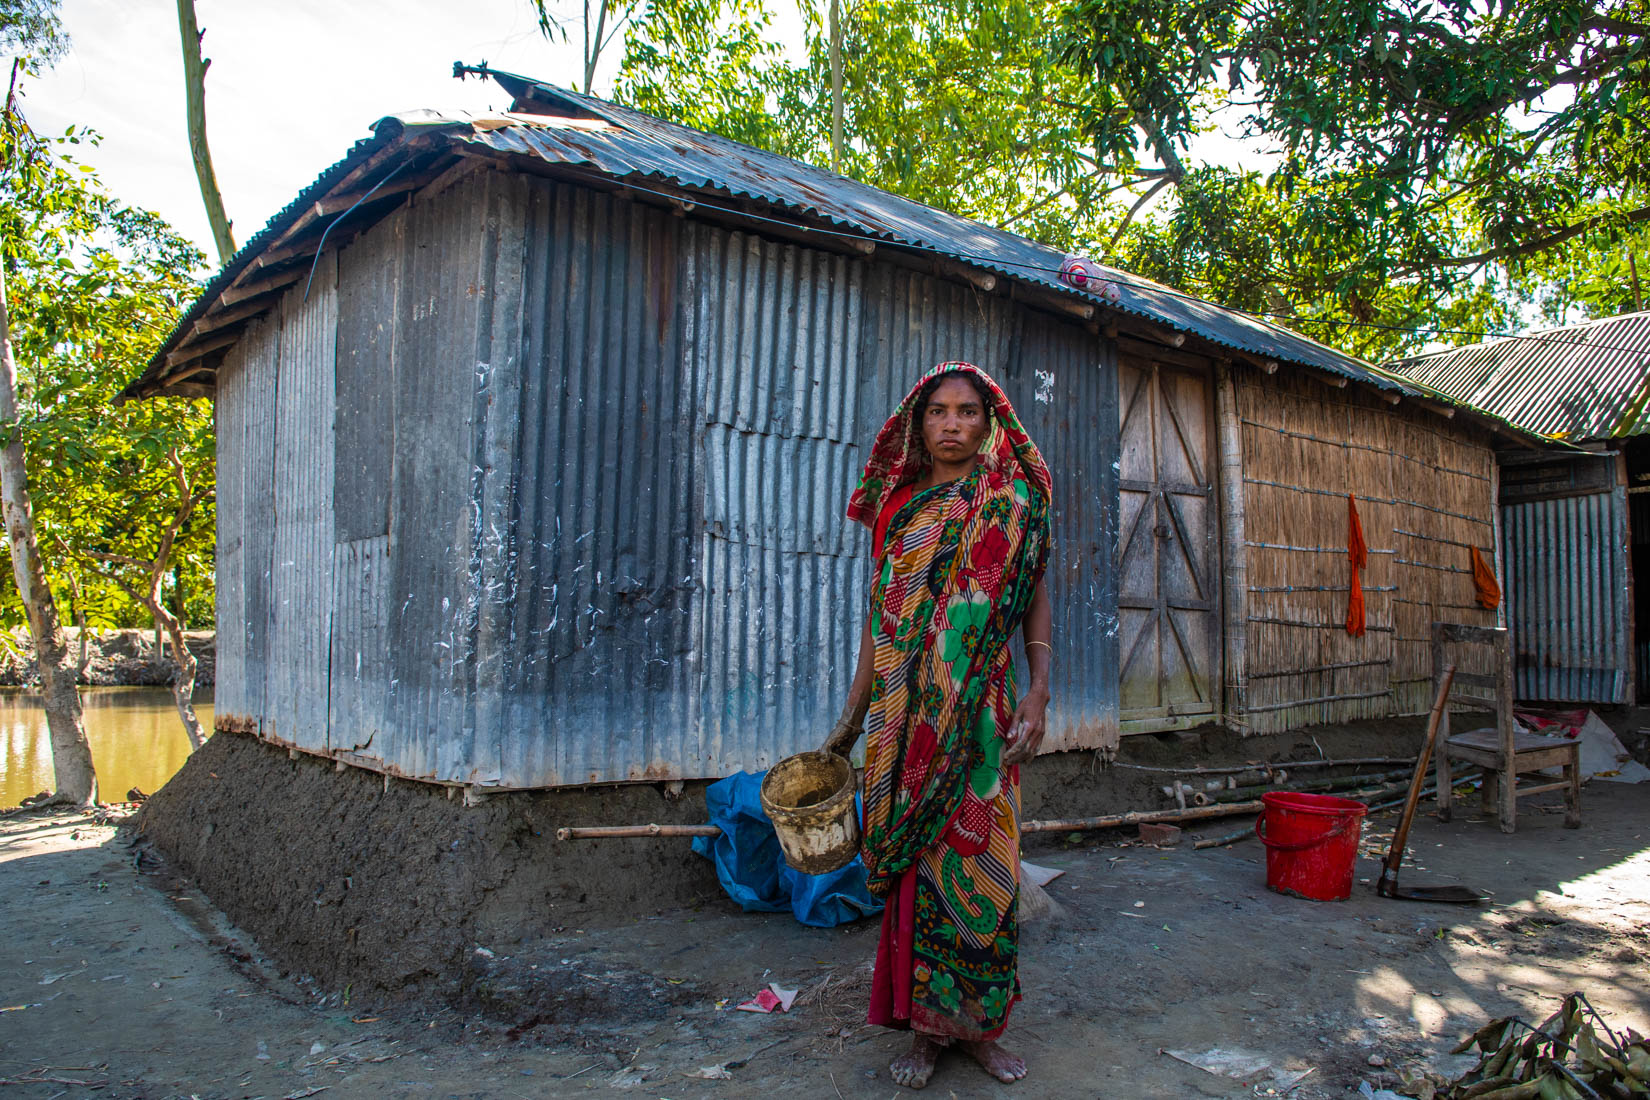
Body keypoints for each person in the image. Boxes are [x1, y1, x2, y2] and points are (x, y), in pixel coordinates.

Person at [823, 361, 1053, 1089]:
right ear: (916, 425)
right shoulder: (899, 509)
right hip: (901, 715)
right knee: (918, 873)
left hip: (982, 712)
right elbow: (878, 619)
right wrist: (851, 717)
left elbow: (1034, 596)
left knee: (985, 862)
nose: (952, 423)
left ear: (990, 422)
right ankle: (923, 1033)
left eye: (967, 410)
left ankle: (982, 1031)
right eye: (938, 412)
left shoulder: (1011, 502)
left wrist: (1040, 690)